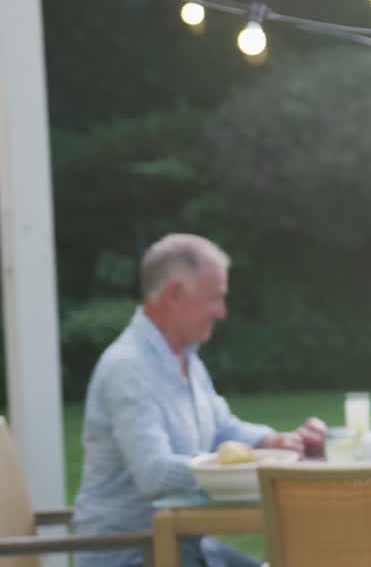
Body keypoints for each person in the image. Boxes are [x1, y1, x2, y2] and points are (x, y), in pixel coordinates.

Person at [72, 233, 325, 567]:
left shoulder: (187, 359)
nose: (221, 312)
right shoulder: (128, 367)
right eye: (214, 298)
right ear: (175, 294)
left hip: (185, 545)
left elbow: (222, 430)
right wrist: (255, 466)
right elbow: (155, 473)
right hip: (134, 552)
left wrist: (275, 441)